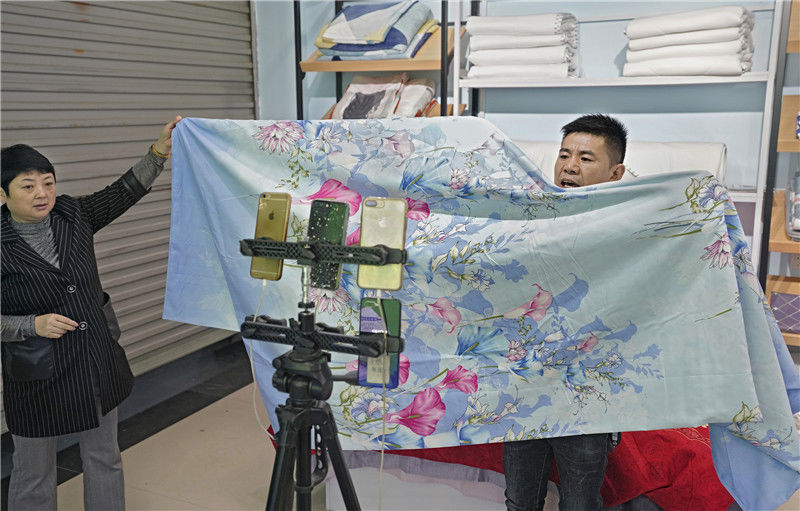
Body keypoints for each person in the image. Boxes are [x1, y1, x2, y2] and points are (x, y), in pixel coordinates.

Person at [1, 115, 182, 511]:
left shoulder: (73, 215)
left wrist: (158, 152)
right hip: (36, 375)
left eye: (48, 182)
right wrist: (31, 324)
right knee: (33, 472)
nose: (42, 193)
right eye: (27, 186)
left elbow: (123, 192)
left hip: (94, 361)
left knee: (104, 457)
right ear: (3, 194)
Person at [503, 113, 627, 511]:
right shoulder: (529, 219)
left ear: (615, 173)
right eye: (564, 155)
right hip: (526, 382)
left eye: (586, 158)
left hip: (586, 391)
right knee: (519, 501)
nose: (570, 166)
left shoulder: (626, 230)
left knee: (579, 503)